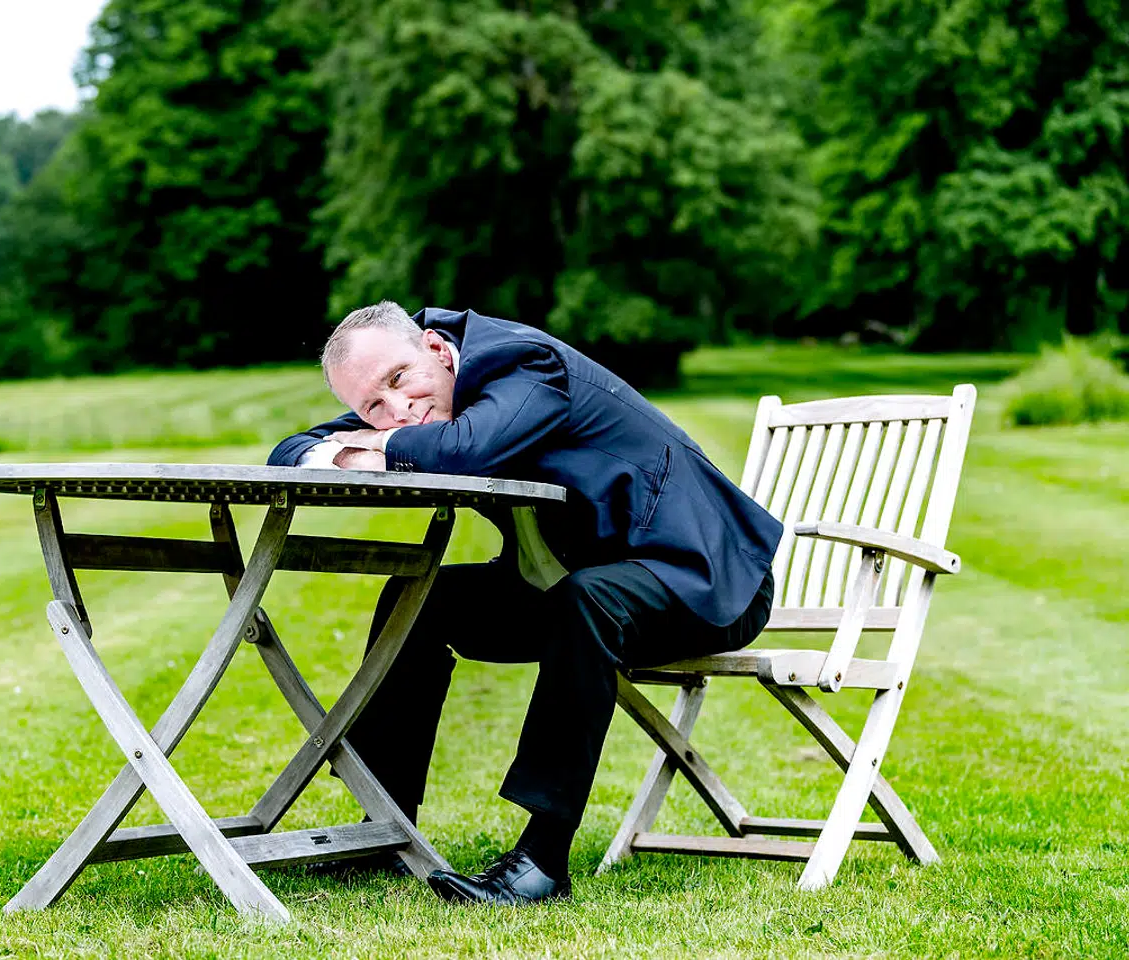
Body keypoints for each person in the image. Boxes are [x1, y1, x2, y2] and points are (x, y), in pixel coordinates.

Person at [268, 302, 781, 906]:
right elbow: (291, 450)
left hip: (698, 580)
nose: (398, 409)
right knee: (419, 600)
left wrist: (374, 445)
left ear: (435, 347)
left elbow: (465, 451)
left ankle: (542, 861)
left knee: (588, 601)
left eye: (399, 379)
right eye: (372, 407)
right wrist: (356, 446)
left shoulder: (523, 364)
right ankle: (384, 826)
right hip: (567, 587)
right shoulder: (423, 392)